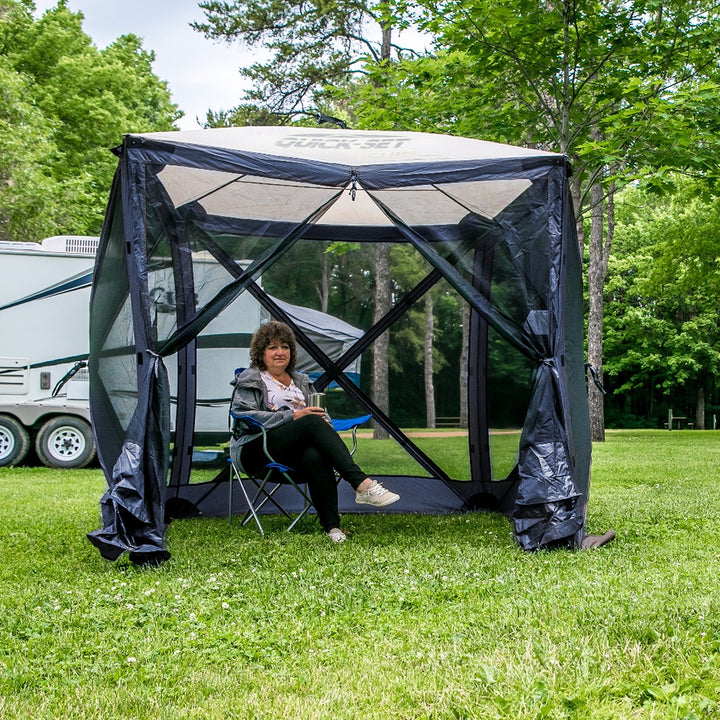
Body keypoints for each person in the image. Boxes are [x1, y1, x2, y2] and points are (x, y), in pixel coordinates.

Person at [229, 321, 400, 543]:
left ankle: (332, 528)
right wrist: (292, 416)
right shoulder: (251, 379)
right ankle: (361, 483)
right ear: (261, 353)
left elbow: (323, 416)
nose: (280, 352)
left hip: (294, 453)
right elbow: (243, 416)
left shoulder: (301, 381)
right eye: (272, 348)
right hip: (256, 448)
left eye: (285, 347)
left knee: (315, 454)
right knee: (309, 419)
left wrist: (318, 426)